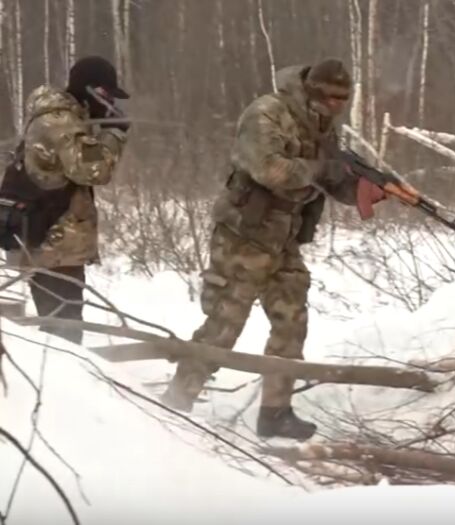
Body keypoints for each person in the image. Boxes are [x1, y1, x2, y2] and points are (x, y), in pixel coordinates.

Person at [160, 58, 387, 441]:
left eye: (343, 98)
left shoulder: (320, 126)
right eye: (329, 96)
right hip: (243, 236)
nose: (336, 105)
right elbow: (269, 170)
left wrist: (365, 189)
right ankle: (176, 402)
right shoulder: (267, 113)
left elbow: (330, 181)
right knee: (224, 325)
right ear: (312, 91)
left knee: (291, 322)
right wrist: (321, 170)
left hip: (284, 240)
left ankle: (276, 412)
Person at [0, 56, 130, 344]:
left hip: (54, 243)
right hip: (52, 246)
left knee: (63, 325)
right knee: (63, 333)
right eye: (107, 96)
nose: (109, 104)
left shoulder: (64, 118)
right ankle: (61, 387)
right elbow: (95, 170)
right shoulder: (60, 122)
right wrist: (114, 134)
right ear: (93, 90)